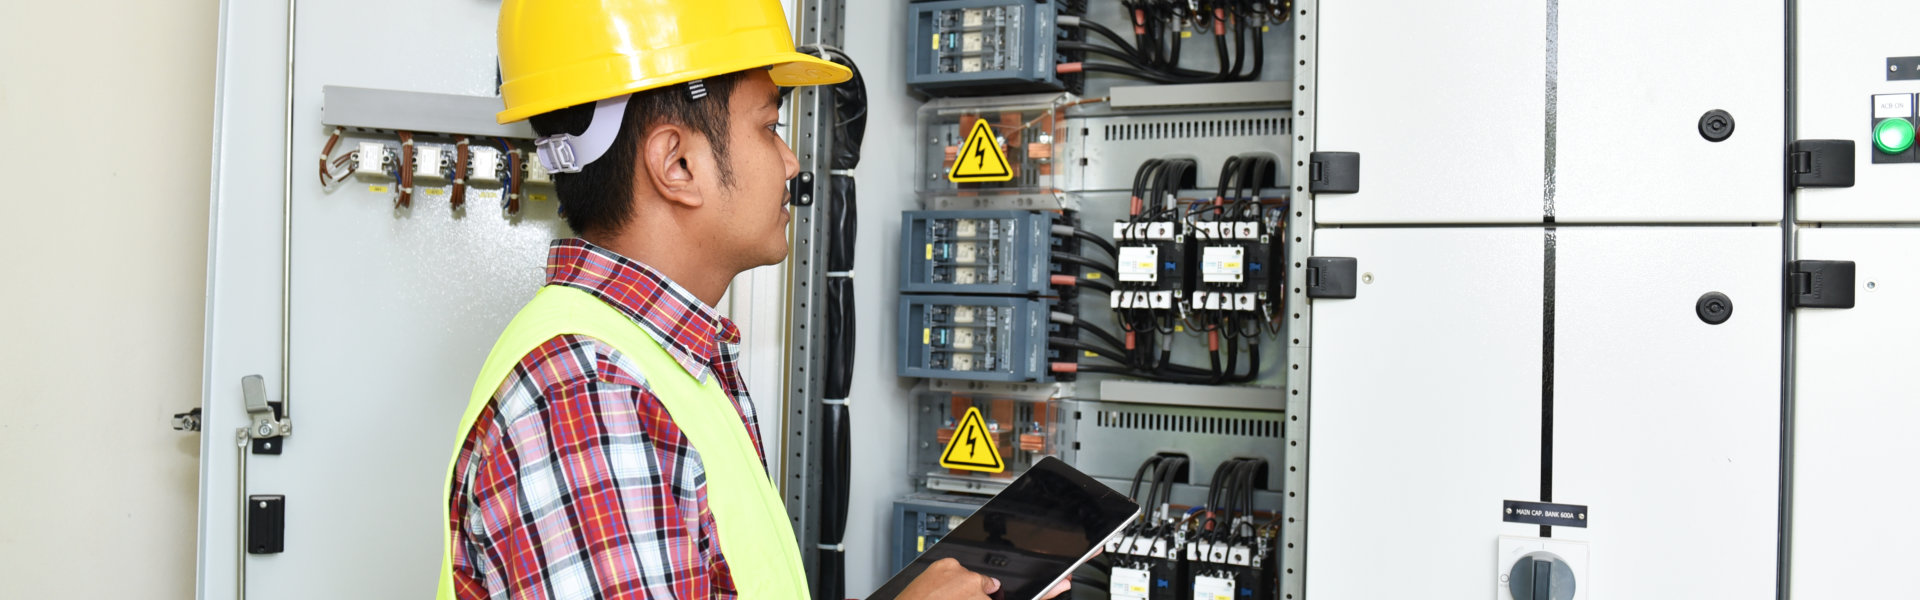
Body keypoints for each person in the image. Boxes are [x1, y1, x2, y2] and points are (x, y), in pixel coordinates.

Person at [434, 1, 1071, 599]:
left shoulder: (660, 363)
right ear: (677, 164)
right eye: (769, 126)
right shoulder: (589, 392)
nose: (792, 162)